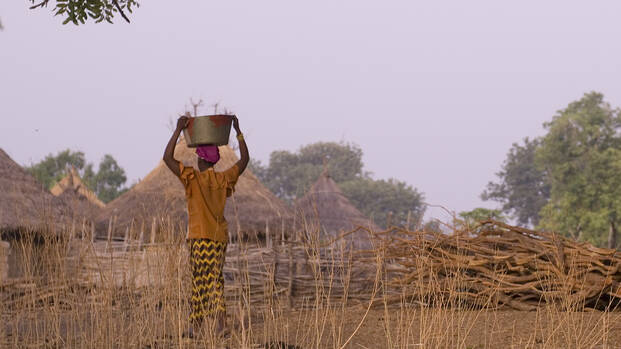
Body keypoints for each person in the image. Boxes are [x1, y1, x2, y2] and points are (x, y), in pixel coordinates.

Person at [163, 114, 249, 337]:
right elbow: (244, 160)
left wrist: (177, 129)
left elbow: (167, 158)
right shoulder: (223, 179)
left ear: (201, 160)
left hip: (200, 238)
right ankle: (210, 326)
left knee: (200, 281)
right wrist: (238, 131)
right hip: (219, 238)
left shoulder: (192, 178)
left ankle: (203, 326)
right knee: (214, 279)